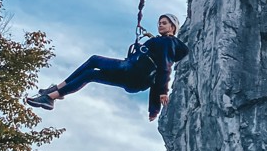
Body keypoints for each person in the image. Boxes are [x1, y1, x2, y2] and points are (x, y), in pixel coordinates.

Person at [25, 13, 189, 122]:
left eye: (164, 23)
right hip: (134, 80)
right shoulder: (161, 42)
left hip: (131, 70)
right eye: (159, 23)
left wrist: (162, 93)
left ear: (172, 28)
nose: (160, 25)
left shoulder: (168, 43)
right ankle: (51, 96)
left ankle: (55, 89)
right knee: (91, 75)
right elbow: (156, 74)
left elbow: (164, 69)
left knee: (94, 60)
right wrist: (154, 110)